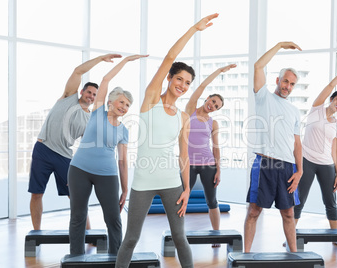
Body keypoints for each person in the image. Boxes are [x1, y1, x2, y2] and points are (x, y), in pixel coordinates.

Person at [115, 13, 219, 268]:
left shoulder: (184, 117)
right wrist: (194, 29)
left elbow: (183, 155)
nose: (183, 85)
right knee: (130, 239)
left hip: (172, 182)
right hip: (143, 182)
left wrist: (186, 188)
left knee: (180, 238)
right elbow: (170, 58)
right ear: (170, 78)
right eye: (179, 79)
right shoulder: (151, 100)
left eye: (188, 83)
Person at [28, 54, 121, 230]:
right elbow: (78, 71)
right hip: (43, 149)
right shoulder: (68, 97)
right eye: (89, 92)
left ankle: (89, 232)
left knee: (76, 196)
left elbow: (93, 144)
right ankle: (36, 234)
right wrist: (101, 59)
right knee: (36, 194)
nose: (91, 96)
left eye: (94, 94)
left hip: (64, 156)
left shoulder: (90, 120)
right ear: (82, 92)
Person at [68, 54, 148, 255]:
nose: (124, 107)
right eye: (121, 102)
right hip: (79, 170)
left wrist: (124, 189)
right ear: (110, 101)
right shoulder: (97, 112)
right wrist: (125, 62)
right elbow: (105, 80)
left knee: (113, 218)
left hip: (107, 175)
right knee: (78, 216)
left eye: (128, 105)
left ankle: (116, 259)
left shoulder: (123, 130)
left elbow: (122, 161)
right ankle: (76, 259)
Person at [293, 59, 337, 248]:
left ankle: (335, 237)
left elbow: (335, 150)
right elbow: (331, 84)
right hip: (307, 160)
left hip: (327, 164)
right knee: (299, 199)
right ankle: (290, 237)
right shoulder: (316, 110)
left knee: (330, 201)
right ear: (332, 99)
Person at [244, 42, 303, 253]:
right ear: (278, 80)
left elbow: (297, 143)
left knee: (288, 213)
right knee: (253, 211)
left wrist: (300, 171)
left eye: (292, 84)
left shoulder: (295, 111)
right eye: (285, 81)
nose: (287, 86)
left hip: (287, 167)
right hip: (265, 163)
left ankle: (295, 255)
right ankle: (245, 256)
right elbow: (258, 67)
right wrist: (279, 45)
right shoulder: (263, 97)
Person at [184, 63, 236, 248]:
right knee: (182, 198)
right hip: (188, 164)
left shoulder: (213, 124)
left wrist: (219, 170)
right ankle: (178, 236)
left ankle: (216, 235)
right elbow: (200, 86)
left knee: (211, 200)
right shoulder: (190, 109)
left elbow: (216, 148)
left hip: (208, 164)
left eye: (216, 105)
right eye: (212, 101)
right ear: (207, 98)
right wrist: (219, 71)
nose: (212, 105)